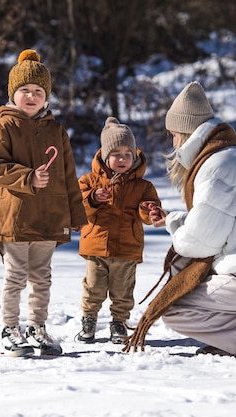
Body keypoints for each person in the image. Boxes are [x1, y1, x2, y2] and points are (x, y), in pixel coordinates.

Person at [124, 81, 236, 358]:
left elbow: (200, 243)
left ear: (186, 133)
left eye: (173, 134)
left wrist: (178, 234)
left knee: (174, 309)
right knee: (188, 293)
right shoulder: (235, 155)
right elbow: (222, 221)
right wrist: (172, 220)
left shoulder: (216, 167)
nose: (172, 142)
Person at [0, 49, 87, 357]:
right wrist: (28, 178)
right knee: (16, 275)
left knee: (42, 277)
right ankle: (10, 329)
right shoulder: (2, 128)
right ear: (13, 94)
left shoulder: (56, 131)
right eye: (24, 90)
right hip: (16, 217)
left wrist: (75, 213)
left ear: (47, 96)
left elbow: (69, 175)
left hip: (50, 216)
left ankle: (36, 327)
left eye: (38, 91)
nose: (31, 96)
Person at [75, 117, 161, 344]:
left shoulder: (143, 186)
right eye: (116, 154)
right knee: (93, 288)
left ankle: (119, 324)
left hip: (126, 247)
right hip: (96, 246)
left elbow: (147, 212)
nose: (122, 159)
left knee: (123, 292)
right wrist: (92, 198)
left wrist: (149, 211)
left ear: (134, 156)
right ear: (105, 155)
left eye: (127, 154)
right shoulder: (89, 181)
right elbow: (76, 209)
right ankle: (88, 321)